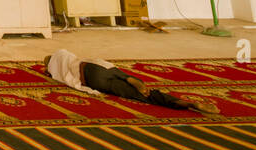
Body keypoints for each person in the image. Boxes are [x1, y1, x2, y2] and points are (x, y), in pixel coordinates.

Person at [42, 49, 219, 115]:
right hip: (96, 66)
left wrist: (47, 69)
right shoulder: (65, 54)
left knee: (141, 96)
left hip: (91, 78)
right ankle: (129, 77)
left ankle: (184, 103)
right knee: (120, 76)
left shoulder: (56, 63)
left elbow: (58, 74)